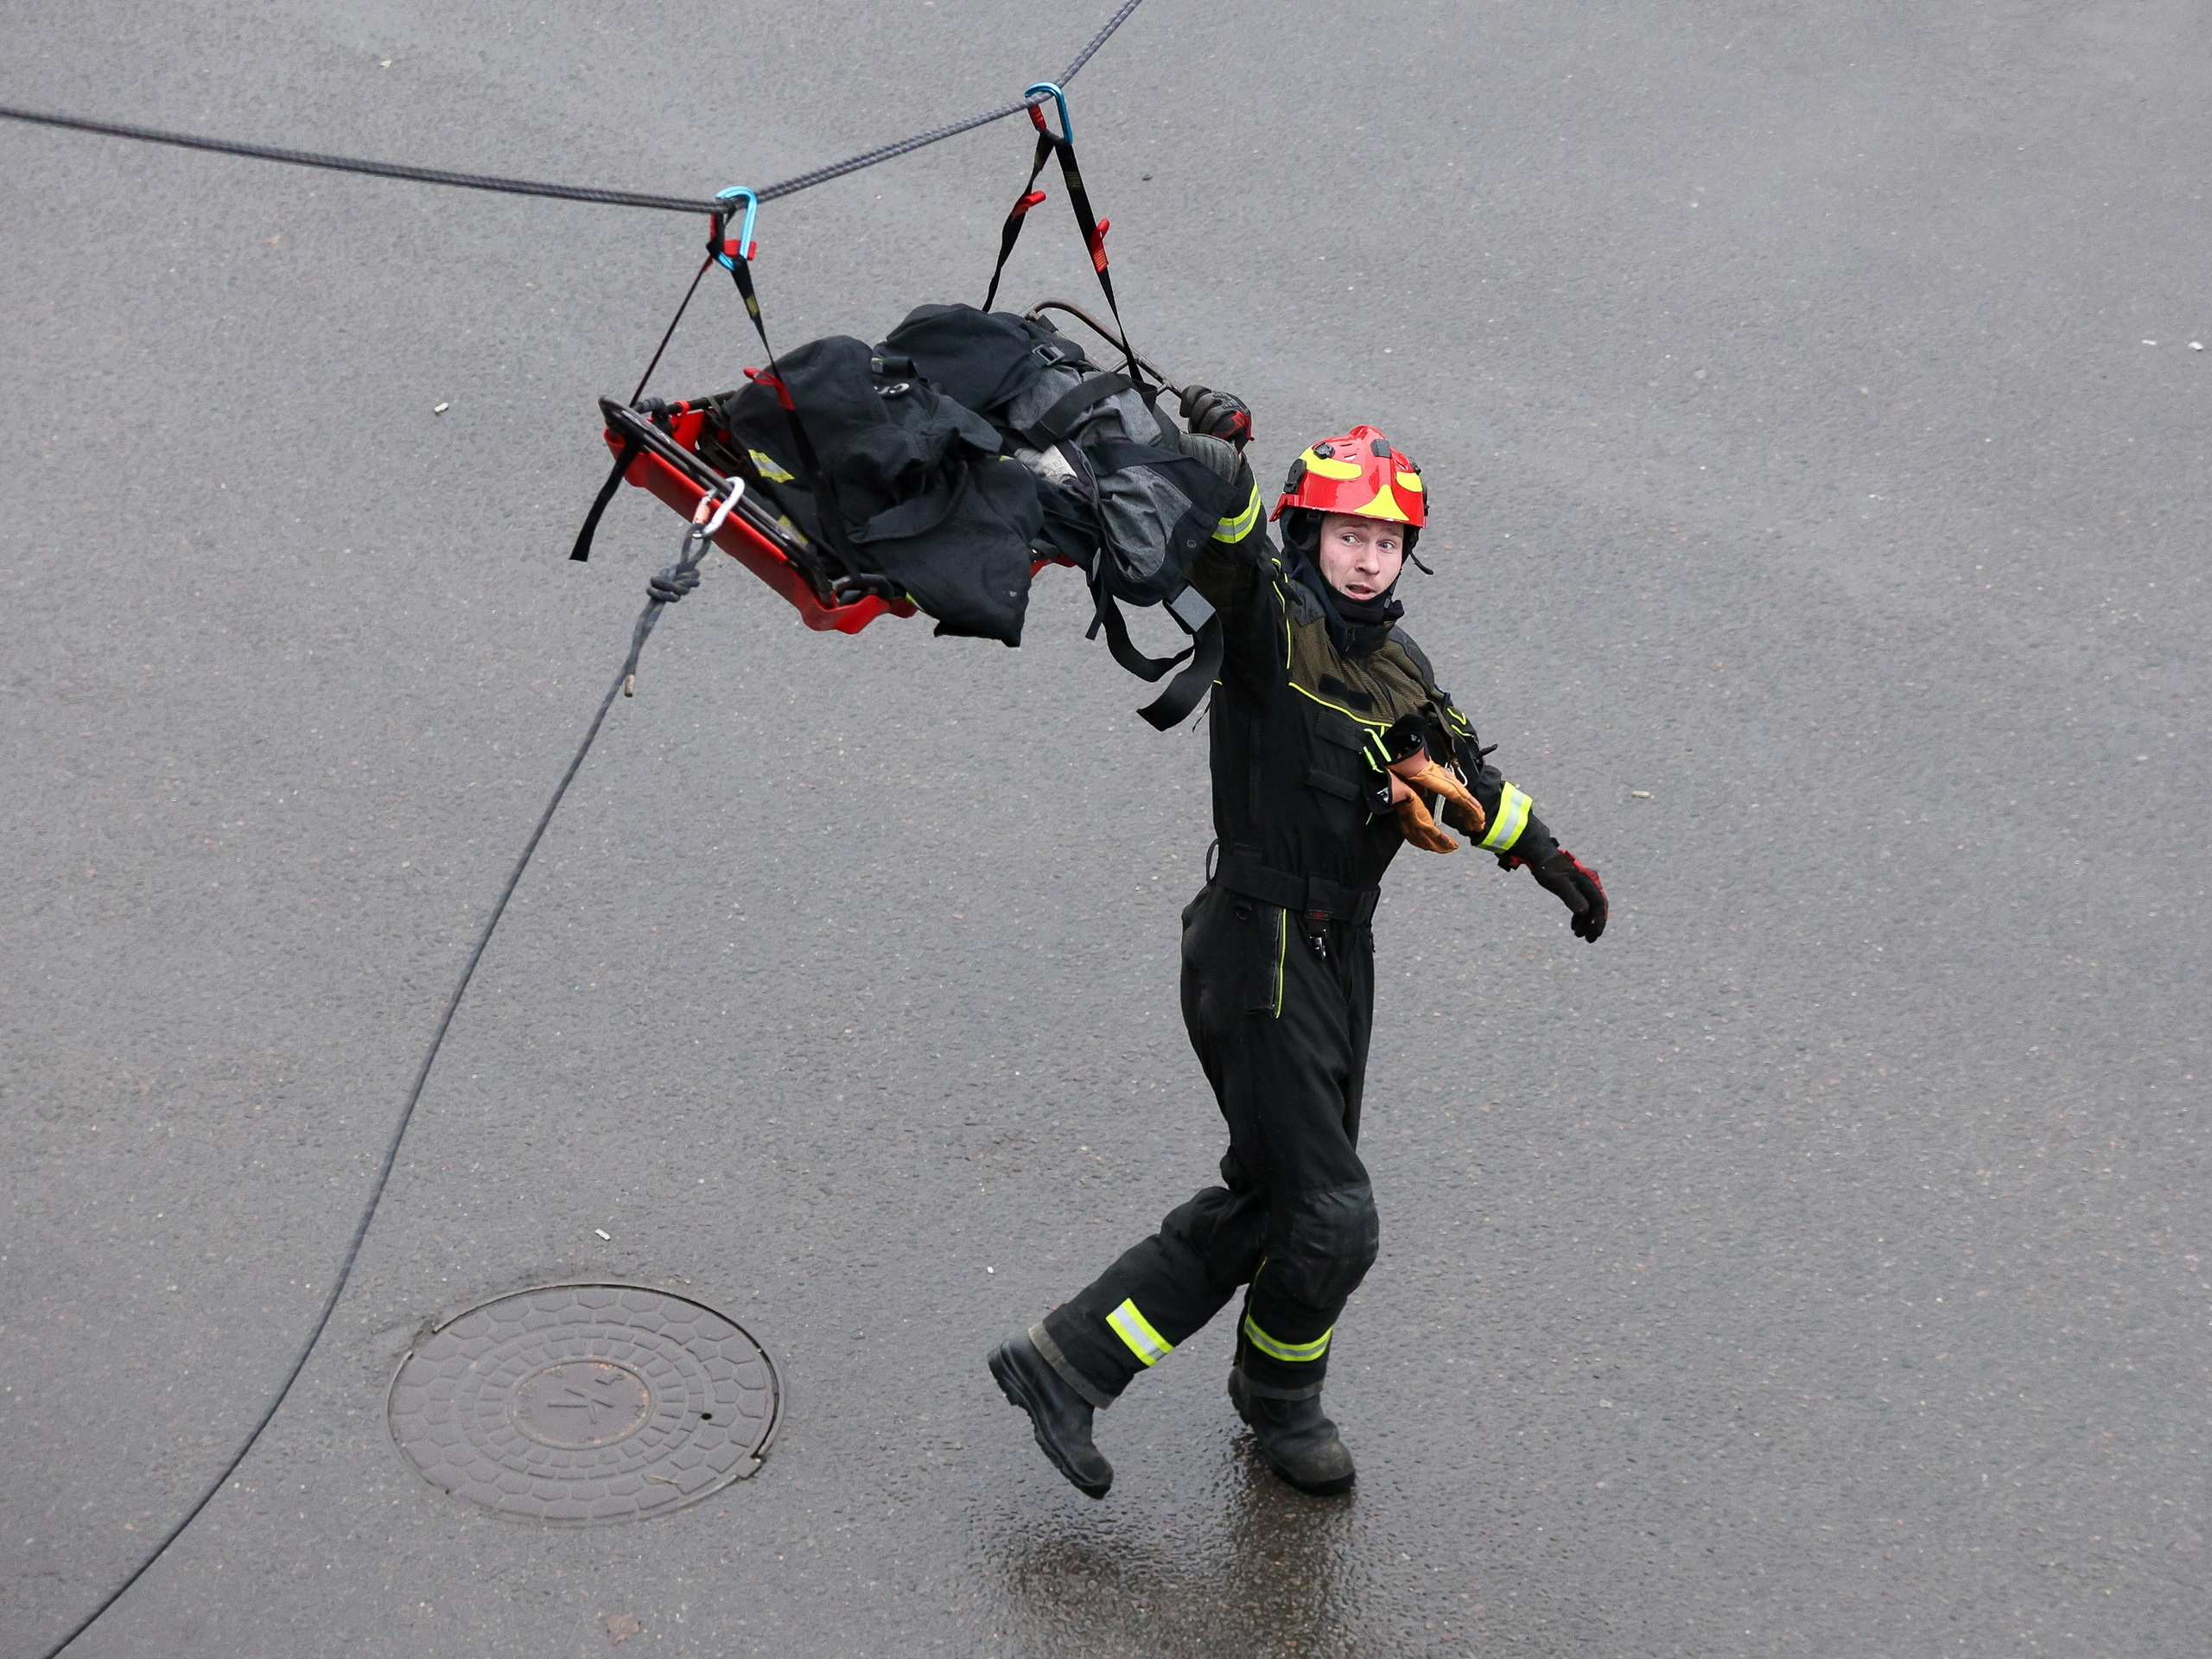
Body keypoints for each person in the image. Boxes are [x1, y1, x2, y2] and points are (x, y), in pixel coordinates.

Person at [989, 396, 1610, 1498]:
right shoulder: (1273, 625)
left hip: (1337, 957)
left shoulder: (1400, 662)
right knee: (1331, 1214)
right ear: (1305, 536)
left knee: (1280, 1200)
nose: (1366, 559)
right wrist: (1214, 453)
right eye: (1346, 536)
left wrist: (1551, 861)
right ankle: (1250, 1393)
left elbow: (1467, 778)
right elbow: (1223, 537)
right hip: (1258, 951)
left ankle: (1087, 1362)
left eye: (1384, 541)